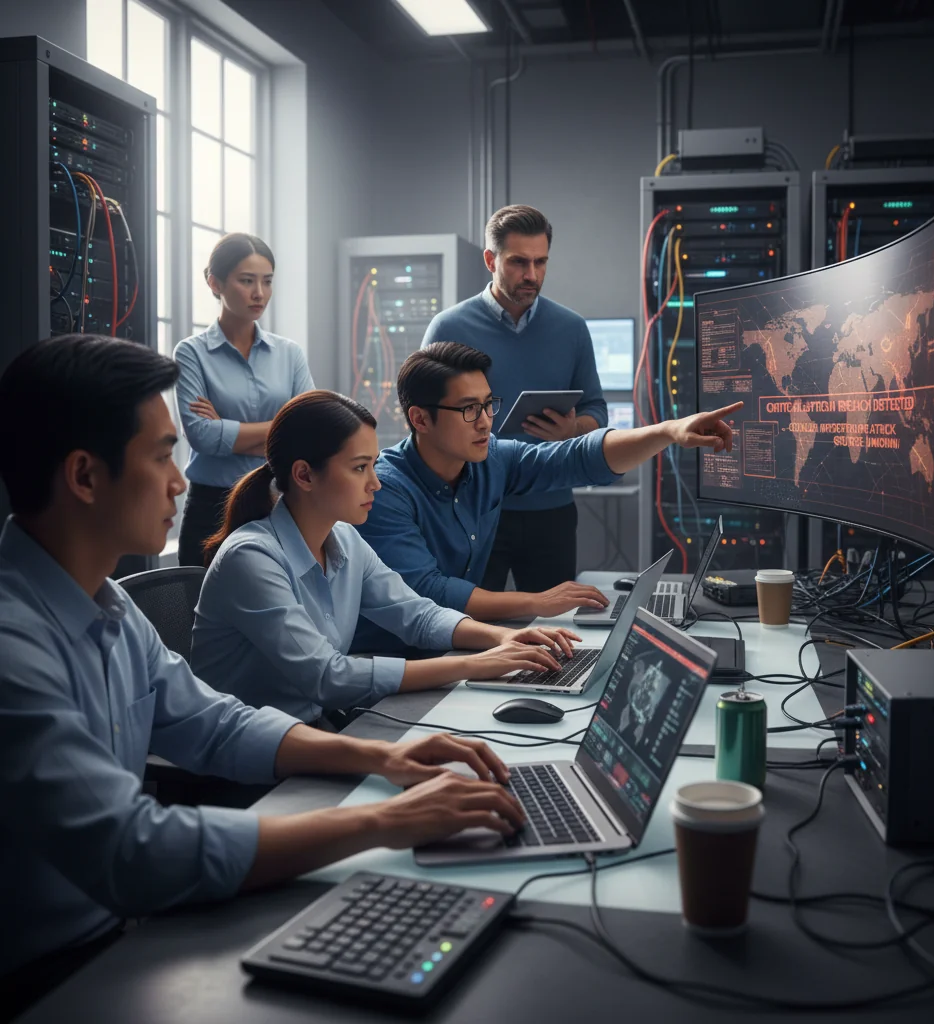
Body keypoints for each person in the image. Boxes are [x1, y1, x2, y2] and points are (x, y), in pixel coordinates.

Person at [0, 335, 523, 1020]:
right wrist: (383, 820)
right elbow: (132, 849)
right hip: (47, 976)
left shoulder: (110, 605)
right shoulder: (14, 646)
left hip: (119, 935)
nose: (182, 481)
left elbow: (215, 721)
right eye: (163, 457)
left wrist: (384, 757)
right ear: (85, 476)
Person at [191, 389, 579, 724]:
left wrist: (503, 636)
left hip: (312, 729)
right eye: (360, 468)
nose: (375, 482)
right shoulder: (252, 557)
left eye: (374, 464)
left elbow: (417, 615)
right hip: (250, 757)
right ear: (305, 475)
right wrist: (477, 664)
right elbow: (328, 677)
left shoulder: (343, 537)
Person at [354, 342, 741, 652]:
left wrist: (670, 432)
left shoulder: (490, 460)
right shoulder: (385, 490)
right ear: (420, 419)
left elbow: (575, 458)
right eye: (469, 409)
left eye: (488, 404)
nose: (486, 421)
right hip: (394, 665)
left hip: (455, 647)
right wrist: (536, 602)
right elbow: (429, 591)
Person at [421, 205, 606, 593]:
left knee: (556, 631)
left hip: (551, 509)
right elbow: (423, 422)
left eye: (541, 262)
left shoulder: (571, 329)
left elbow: (596, 410)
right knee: (469, 628)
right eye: (519, 262)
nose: (532, 275)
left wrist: (573, 430)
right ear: (491, 260)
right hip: (471, 510)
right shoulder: (448, 327)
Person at [173, 233, 315, 566]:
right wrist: (280, 431)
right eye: (247, 281)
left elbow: (310, 427)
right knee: (201, 610)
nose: (259, 293)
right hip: (211, 507)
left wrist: (226, 428)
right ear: (215, 282)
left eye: (267, 281)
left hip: (279, 502)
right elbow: (201, 436)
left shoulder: (289, 353)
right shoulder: (192, 353)